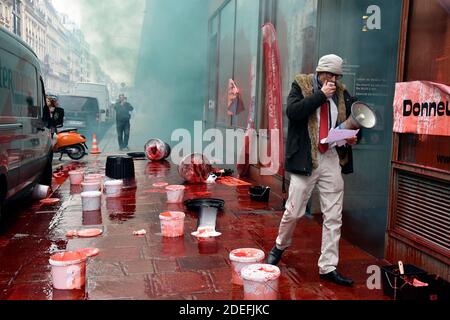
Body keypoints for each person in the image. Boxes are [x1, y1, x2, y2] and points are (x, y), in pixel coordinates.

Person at [267, 54, 359, 287]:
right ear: (320, 73)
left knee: (333, 215)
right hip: (306, 159)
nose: (334, 80)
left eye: (337, 76)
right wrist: (320, 96)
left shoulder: (343, 94)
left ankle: (328, 267)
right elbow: (293, 113)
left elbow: (353, 122)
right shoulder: (301, 85)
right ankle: (279, 246)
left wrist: (352, 138)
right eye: (329, 75)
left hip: (331, 157)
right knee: (294, 210)